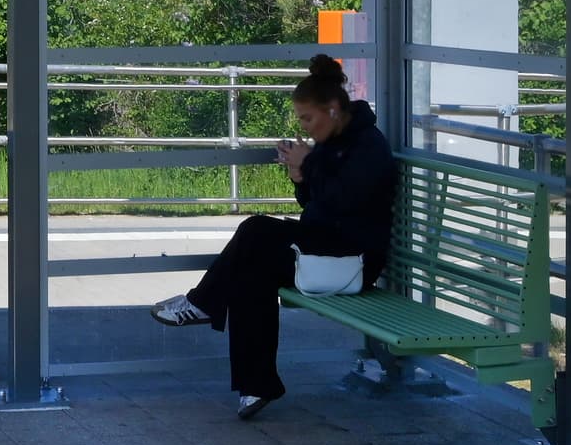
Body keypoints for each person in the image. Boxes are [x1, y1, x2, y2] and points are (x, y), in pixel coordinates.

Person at [149, 54, 397, 418]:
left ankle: (202, 303)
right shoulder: (333, 140)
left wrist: (308, 165)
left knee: (256, 230)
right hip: (327, 245)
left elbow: (347, 201)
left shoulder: (368, 146)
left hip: (354, 259)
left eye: (308, 118)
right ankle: (256, 386)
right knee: (252, 270)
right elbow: (319, 201)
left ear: (332, 110)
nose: (305, 127)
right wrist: (301, 177)